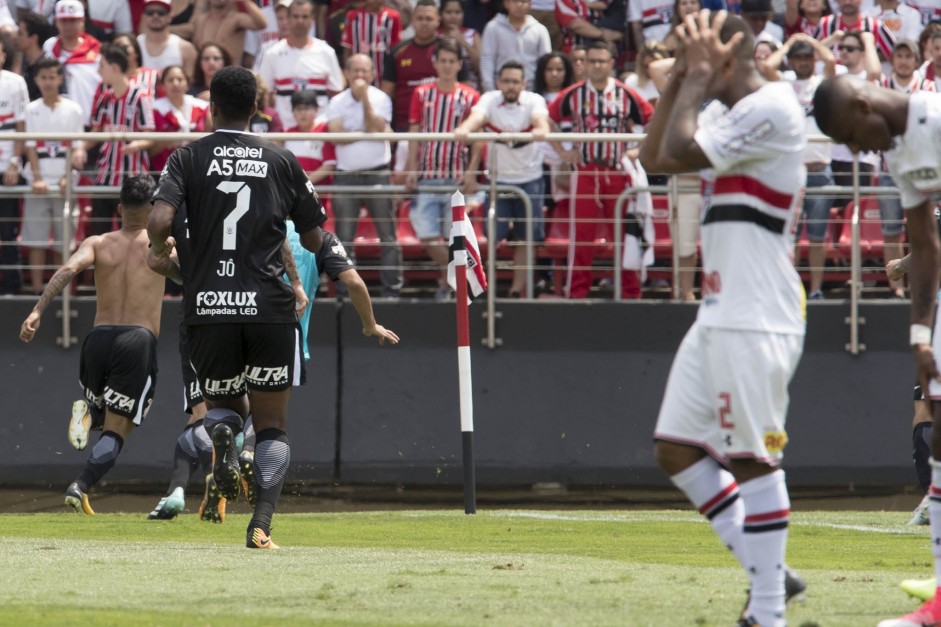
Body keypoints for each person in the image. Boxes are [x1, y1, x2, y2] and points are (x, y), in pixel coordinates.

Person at [640, 11, 807, 626]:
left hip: (756, 311)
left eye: (700, 56)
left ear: (731, 59)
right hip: (720, 308)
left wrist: (693, 78)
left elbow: (678, 152)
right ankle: (773, 576)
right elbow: (654, 156)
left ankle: (766, 613)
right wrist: (683, 78)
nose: (687, 68)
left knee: (752, 460)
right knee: (676, 451)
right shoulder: (726, 113)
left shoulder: (775, 107)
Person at [148, 66, 327, 549]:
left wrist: (159, 247)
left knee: (224, 406)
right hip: (269, 306)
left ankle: (225, 437)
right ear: (255, 108)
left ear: (210, 105)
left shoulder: (187, 157)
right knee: (272, 425)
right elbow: (312, 235)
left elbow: (161, 217)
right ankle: (261, 526)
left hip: (208, 308)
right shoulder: (281, 159)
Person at [811, 73, 941, 625]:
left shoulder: (936, 120)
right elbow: (924, 241)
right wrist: (919, 335)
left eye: (854, 136)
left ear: (865, 105)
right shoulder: (900, 151)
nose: (859, 150)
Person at [19, 175, 166, 515]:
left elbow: (68, 269)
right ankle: (81, 484)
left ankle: (88, 412)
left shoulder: (99, 242)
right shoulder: (161, 244)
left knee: (106, 415)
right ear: (153, 208)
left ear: (119, 209)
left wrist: (37, 310)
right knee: (120, 427)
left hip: (97, 339)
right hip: (137, 339)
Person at [547, 42, 653, 300]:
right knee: (582, 239)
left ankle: (630, 295)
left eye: (601, 61)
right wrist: (563, 152)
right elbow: (548, 119)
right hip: (585, 171)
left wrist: (637, 150)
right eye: (591, 61)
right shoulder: (573, 94)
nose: (596, 66)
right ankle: (577, 295)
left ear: (611, 63)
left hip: (617, 172)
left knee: (623, 236)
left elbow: (652, 120)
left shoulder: (626, 94)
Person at [455, 60, 550, 298]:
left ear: (523, 84)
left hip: (531, 180)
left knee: (526, 238)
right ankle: (489, 288)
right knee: (493, 234)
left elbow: (541, 123)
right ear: (498, 83)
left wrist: (540, 130)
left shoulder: (534, 100)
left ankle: (518, 290)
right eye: (506, 81)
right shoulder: (489, 99)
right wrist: (465, 128)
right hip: (499, 181)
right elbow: (476, 118)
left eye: (515, 82)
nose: (510, 86)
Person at [404, 38, 480, 300]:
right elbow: (414, 132)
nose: (447, 66)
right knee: (426, 235)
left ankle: (447, 288)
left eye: (452, 61)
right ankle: (454, 280)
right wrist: (411, 168)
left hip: (456, 177)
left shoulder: (470, 95)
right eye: (443, 61)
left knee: (454, 239)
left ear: (459, 64)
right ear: (435, 63)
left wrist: (472, 171)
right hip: (427, 176)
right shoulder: (421, 94)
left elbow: (478, 137)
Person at [326, 53, 404, 297]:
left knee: (388, 236)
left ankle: (392, 290)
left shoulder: (381, 98)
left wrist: (365, 102)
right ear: (347, 74)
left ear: (372, 74)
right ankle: (345, 292)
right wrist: (367, 132)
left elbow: (375, 126)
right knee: (344, 240)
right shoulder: (336, 101)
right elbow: (336, 135)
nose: (360, 77)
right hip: (346, 176)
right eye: (355, 71)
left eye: (365, 72)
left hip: (378, 175)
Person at [22, 57, 85, 296]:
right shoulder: (31, 109)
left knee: (64, 241)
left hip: (65, 185)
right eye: (43, 77)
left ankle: (64, 292)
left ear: (60, 79)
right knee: (36, 238)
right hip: (36, 183)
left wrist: (67, 177)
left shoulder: (74, 109)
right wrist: (37, 178)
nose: (48, 82)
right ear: (36, 80)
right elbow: (29, 147)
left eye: (52, 77)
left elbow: (76, 147)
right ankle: (38, 290)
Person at [79, 43, 156, 237]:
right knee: (99, 232)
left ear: (114, 68)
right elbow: (96, 131)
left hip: (134, 178)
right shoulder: (104, 97)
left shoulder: (141, 96)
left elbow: (151, 135)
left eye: (102, 66)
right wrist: (80, 148)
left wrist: (136, 145)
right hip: (105, 175)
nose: (99, 71)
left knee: (136, 233)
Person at [255, 0, 344, 129]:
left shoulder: (326, 52)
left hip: (319, 130)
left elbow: (336, 93)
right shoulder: (273, 54)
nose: (300, 21)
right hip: (285, 129)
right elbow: (264, 94)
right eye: (296, 16)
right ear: (288, 19)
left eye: (305, 16)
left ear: (312, 19)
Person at [381, 0, 441, 131]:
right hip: (404, 126)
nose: (424, 23)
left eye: (429, 19)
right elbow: (386, 94)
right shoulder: (397, 52)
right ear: (412, 20)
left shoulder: (448, 50)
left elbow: (464, 86)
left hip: (441, 125)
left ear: (438, 20)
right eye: (419, 18)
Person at [42, 0, 101, 127]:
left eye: (73, 20)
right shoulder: (49, 47)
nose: (68, 25)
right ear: (56, 22)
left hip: (88, 120)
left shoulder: (96, 49)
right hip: (58, 121)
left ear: (82, 21)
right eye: (64, 21)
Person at [0, 32, 27, 296]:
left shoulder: (16, 82)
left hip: (7, 168)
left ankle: (11, 287)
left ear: (3, 56)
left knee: (8, 229)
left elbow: (22, 126)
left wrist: (14, 162)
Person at [479, 0, 551, 92]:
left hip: (531, 89)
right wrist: (489, 89)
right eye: (515, 1)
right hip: (500, 89)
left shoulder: (540, 30)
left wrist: (541, 89)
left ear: (530, 4)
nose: (519, 5)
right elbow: (487, 58)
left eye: (524, 1)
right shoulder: (493, 28)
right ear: (506, 3)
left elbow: (545, 62)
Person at [150, 65, 211, 173]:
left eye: (180, 79)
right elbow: (149, 152)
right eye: (170, 80)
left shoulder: (202, 107)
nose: (175, 84)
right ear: (162, 85)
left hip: (197, 170)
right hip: (164, 172)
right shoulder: (153, 109)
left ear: (187, 84)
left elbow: (211, 141)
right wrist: (166, 142)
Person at [340, 0, 402, 85]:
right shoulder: (353, 16)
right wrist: (347, 74)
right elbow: (347, 49)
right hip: (359, 75)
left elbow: (397, 49)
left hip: (385, 75)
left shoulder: (393, 17)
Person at [193, 0, 268, 68]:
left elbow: (262, 24)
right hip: (205, 76)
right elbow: (196, 47)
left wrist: (245, 1)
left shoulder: (236, 19)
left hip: (230, 74)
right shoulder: (201, 20)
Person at [137, 0, 198, 81]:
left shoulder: (186, 49)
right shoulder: (134, 46)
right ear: (144, 16)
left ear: (170, 16)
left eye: (161, 12)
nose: (155, 16)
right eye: (150, 12)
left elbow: (190, 85)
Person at [15, 10, 54, 102]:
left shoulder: (48, 69)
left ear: (33, 38)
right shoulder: (23, 63)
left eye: (20, 33)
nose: (16, 36)